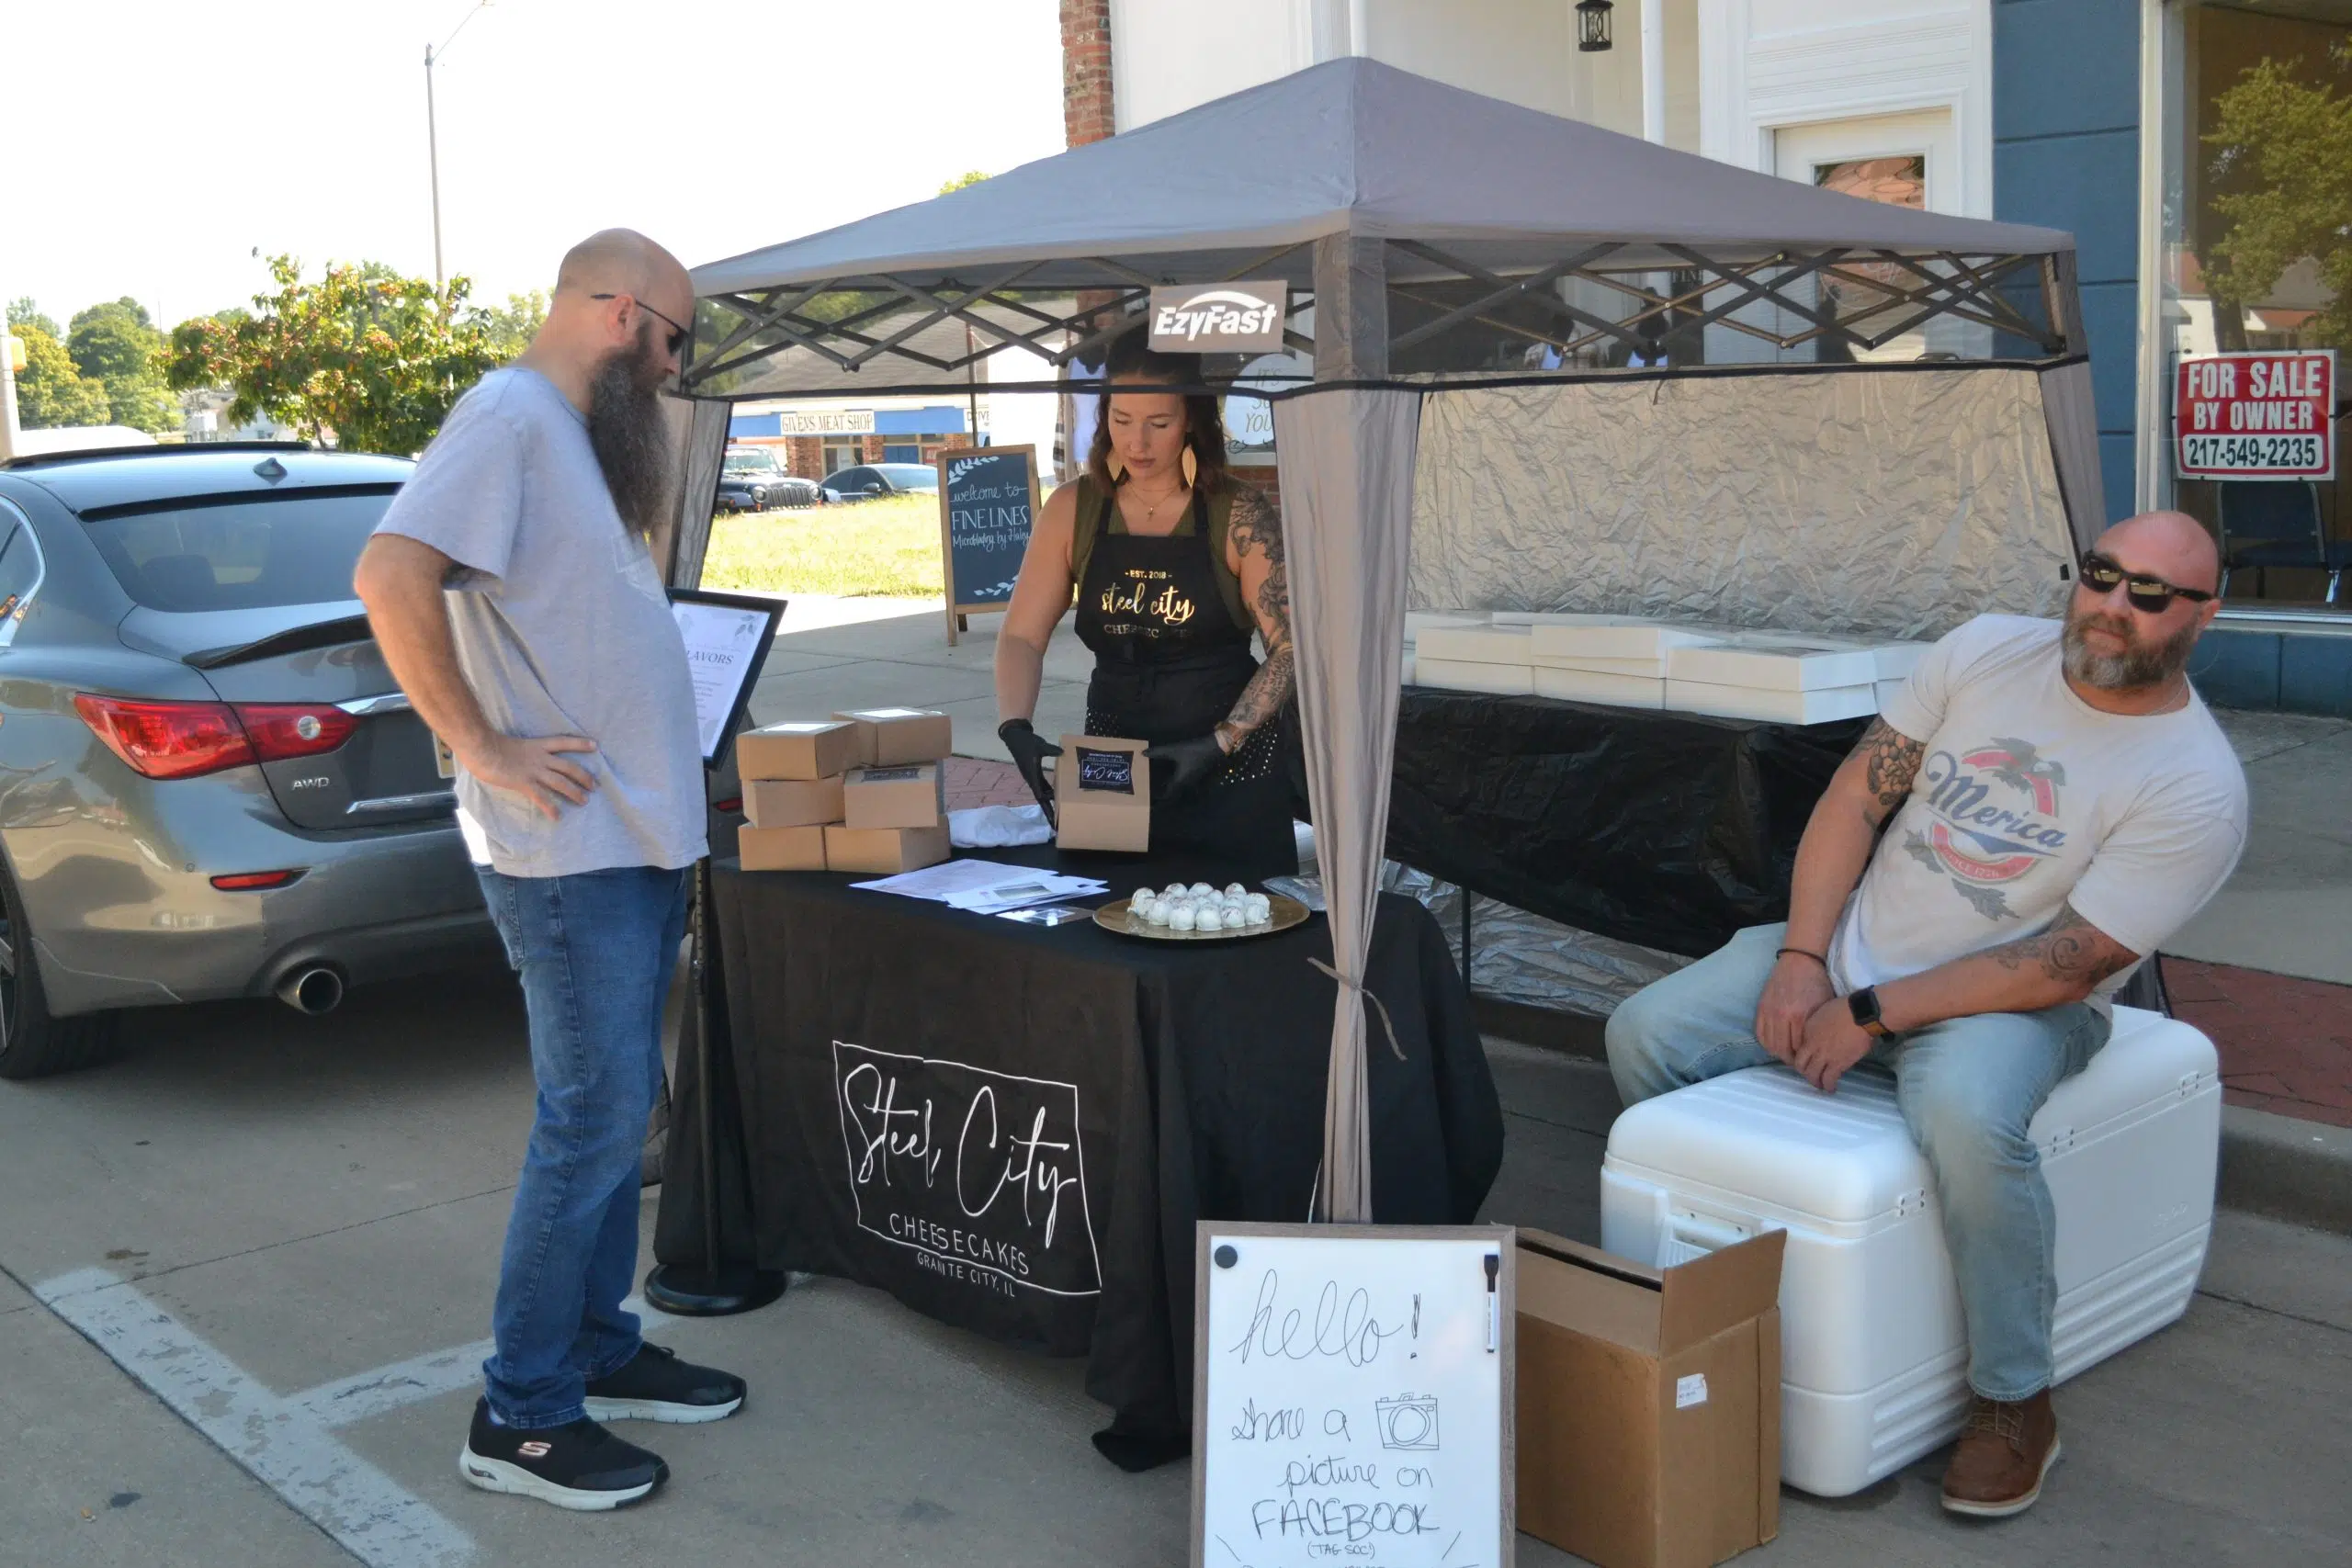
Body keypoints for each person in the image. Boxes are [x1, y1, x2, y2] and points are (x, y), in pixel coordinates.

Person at [1604, 511, 2246, 1519]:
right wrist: (1802, 960)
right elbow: (1853, 800)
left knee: (1964, 1117)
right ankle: (1729, 1301)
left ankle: (2013, 1397)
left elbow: (2066, 962)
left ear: (2204, 615)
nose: (2113, 604)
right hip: (1852, 955)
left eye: (2152, 593)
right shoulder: (1985, 649)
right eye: (2101, 574)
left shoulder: (2195, 783)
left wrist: (1870, 1013)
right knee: (1646, 1034)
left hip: (2013, 1003)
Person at [355, 229, 746, 1512]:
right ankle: (521, 1412)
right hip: (569, 855)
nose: (677, 367)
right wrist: (482, 744)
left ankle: (595, 1344)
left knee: (617, 1112)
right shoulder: (511, 416)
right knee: (589, 1119)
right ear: (621, 312)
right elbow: (391, 573)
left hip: (628, 841)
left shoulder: (572, 434)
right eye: (676, 339)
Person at [995, 342, 1299, 876]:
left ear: (1192, 419)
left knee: (1234, 915)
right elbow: (1022, 636)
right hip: (1113, 766)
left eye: (1159, 423)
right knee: (1110, 909)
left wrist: (1221, 740)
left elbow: (1291, 648)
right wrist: (1015, 725)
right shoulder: (1072, 508)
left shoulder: (1239, 513)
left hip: (1230, 768)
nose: (1137, 442)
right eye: (1122, 420)